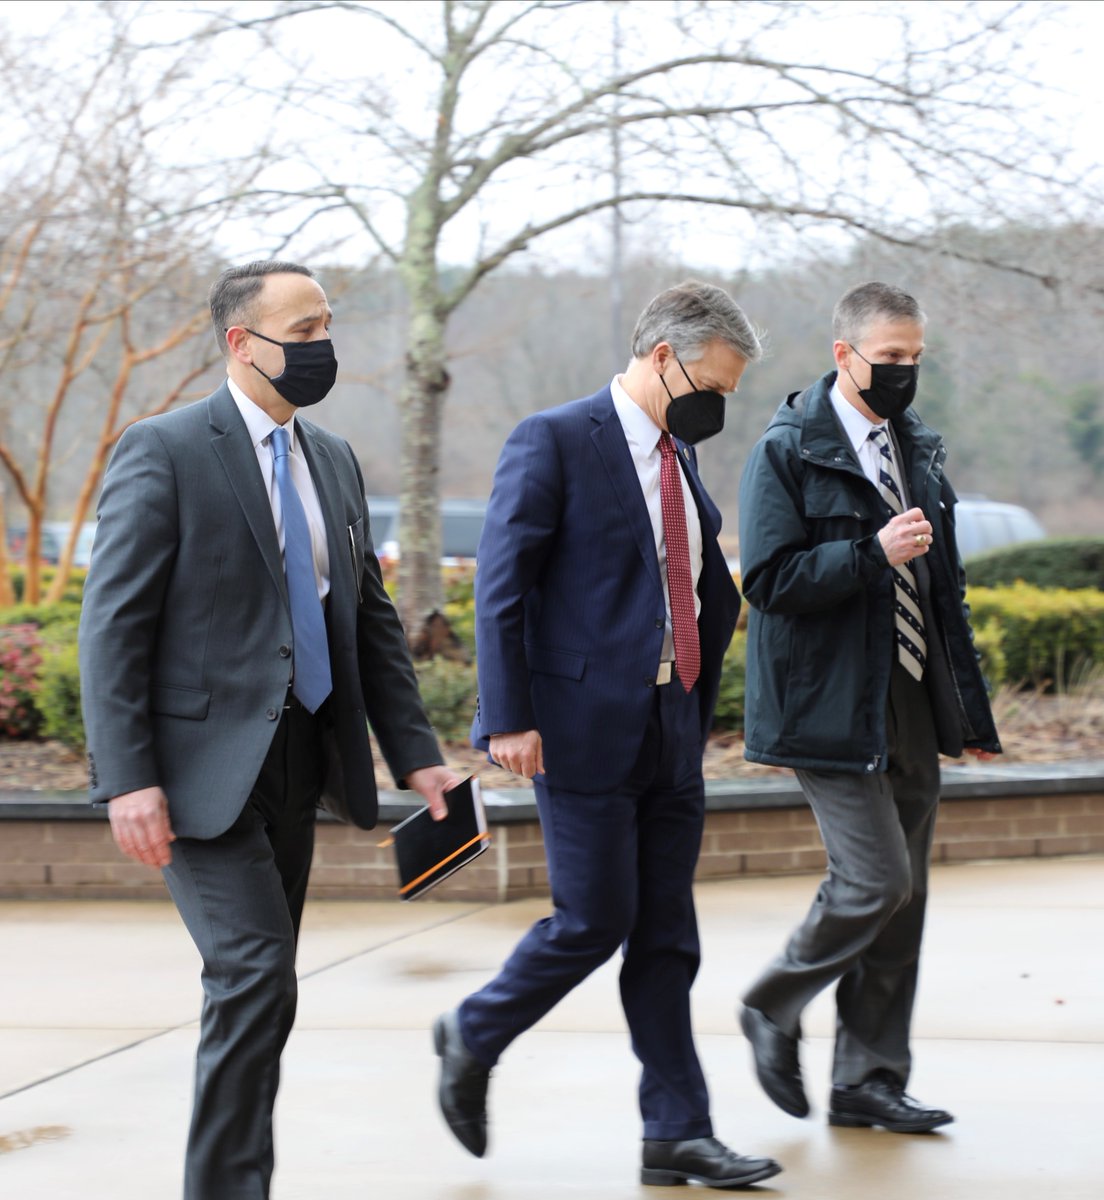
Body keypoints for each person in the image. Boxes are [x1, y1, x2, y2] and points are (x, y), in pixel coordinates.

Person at [78, 260, 458, 1200]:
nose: (322, 343)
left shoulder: (332, 458)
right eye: (303, 326)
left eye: (328, 321)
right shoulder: (162, 449)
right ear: (242, 343)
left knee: (258, 991)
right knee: (255, 977)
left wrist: (418, 759)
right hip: (199, 773)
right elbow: (112, 626)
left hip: (302, 758)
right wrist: (127, 778)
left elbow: (367, 621)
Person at [433, 281, 782, 1189]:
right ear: (664, 357)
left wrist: (696, 694)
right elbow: (501, 586)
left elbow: (700, 580)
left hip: (670, 727)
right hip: (579, 730)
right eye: (713, 383)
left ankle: (677, 1133)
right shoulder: (553, 439)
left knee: (668, 937)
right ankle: (474, 1030)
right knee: (595, 920)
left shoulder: (678, 455)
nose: (719, 404)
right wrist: (506, 716)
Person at [736, 281, 1001, 1134]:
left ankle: (870, 1079)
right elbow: (769, 583)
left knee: (907, 893)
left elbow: (942, 587)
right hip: (828, 702)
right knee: (875, 879)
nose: (904, 373)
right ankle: (773, 1002)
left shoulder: (916, 448)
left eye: (915, 358)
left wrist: (967, 709)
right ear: (844, 354)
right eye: (890, 359)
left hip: (912, 695)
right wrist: (869, 553)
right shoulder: (786, 449)